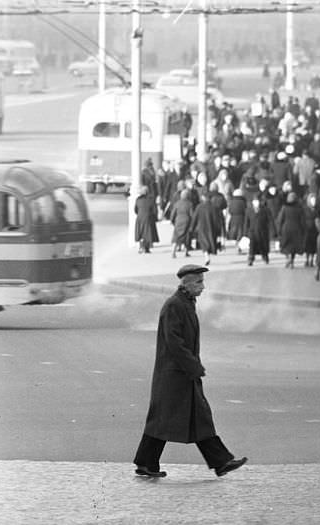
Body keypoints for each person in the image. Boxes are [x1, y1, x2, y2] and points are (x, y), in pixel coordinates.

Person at [133, 265, 247, 478]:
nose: (203, 287)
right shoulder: (174, 305)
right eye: (199, 282)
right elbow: (174, 342)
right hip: (174, 375)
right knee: (168, 420)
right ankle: (219, 462)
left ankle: (219, 462)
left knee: (189, 418)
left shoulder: (184, 303)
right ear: (187, 283)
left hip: (180, 374)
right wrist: (193, 366)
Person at [134, 185, 159, 254]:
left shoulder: (138, 199)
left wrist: (139, 214)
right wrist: (155, 218)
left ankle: (141, 247)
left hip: (140, 217)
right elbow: (154, 210)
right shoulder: (151, 199)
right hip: (148, 217)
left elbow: (135, 210)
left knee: (141, 232)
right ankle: (147, 248)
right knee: (147, 233)